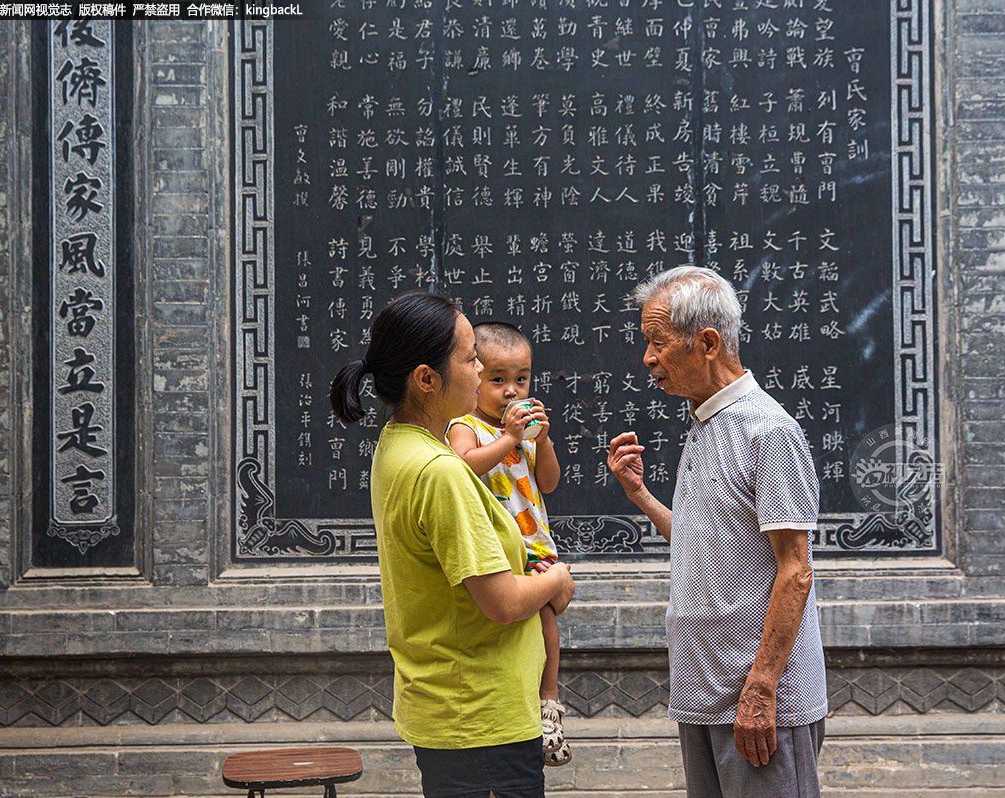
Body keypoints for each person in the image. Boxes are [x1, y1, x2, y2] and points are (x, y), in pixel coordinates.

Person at [330, 292, 575, 798]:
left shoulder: (398, 444)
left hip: (454, 706)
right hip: (481, 719)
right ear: (426, 378)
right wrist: (557, 577)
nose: (482, 369)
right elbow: (503, 604)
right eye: (471, 359)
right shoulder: (441, 471)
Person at [605, 266, 827, 798]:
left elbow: (796, 571)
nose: (647, 358)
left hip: (756, 701)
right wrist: (639, 494)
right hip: (704, 693)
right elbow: (699, 543)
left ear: (706, 342)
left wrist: (762, 687)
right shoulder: (706, 423)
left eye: (657, 343)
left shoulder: (766, 430)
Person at [446, 322, 571, 767]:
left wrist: (544, 440)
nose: (511, 391)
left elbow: (549, 484)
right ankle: (522, 708)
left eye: (522, 379)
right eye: (498, 379)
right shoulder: (466, 427)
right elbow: (462, 467)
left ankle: (549, 699)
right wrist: (509, 439)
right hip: (495, 551)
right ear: (473, 375)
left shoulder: (525, 433)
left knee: (544, 616)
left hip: (534, 546)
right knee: (514, 620)